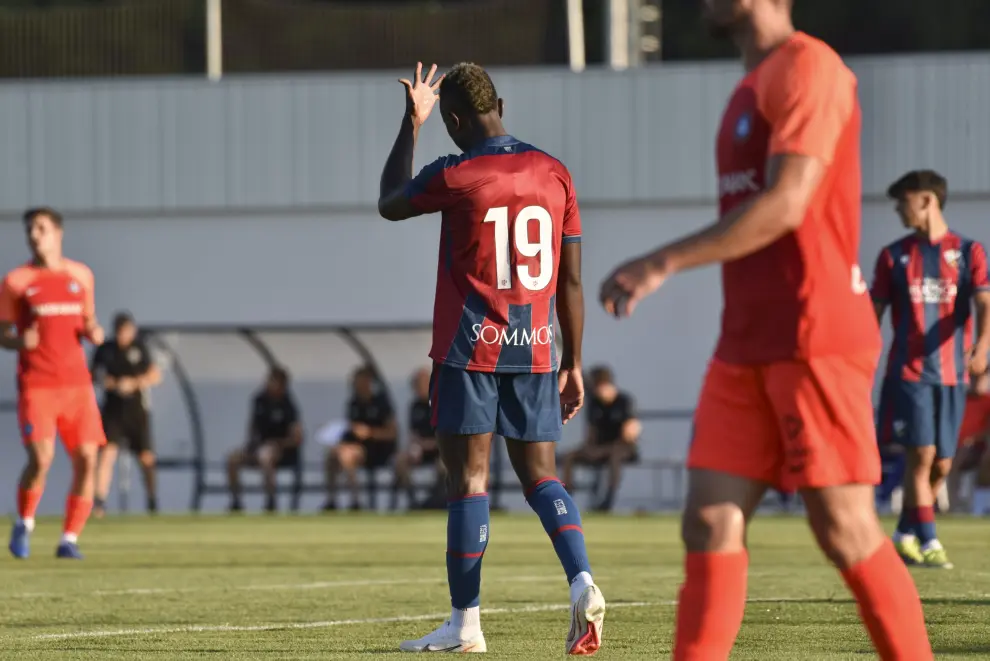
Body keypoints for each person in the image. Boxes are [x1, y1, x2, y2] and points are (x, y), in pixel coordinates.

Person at [598, 2, 932, 659]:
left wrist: (660, 260)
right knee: (708, 520)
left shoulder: (813, 68)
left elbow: (787, 202)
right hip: (745, 342)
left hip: (815, 336)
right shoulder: (746, 90)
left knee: (844, 527)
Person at [378, 61, 604, 655]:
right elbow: (572, 283)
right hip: (536, 350)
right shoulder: (555, 173)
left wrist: (412, 122)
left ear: (453, 119)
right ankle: (582, 580)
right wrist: (573, 362)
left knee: (469, 480)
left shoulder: (457, 173)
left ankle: (466, 625)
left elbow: (388, 200)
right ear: (499, 101)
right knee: (542, 478)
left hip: (468, 351)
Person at [872, 169, 990, 568]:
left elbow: (985, 303)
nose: (897, 209)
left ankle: (904, 532)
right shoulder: (893, 256)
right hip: (908, 374)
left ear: (925, 199)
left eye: (902, 200)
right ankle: (929, 540)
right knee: (920, 457)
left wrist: (983, 347)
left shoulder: (969, 252)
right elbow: (873, 314)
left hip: (954, 376)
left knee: (942, 462)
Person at [1, 207, 106, 560]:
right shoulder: (17, 281)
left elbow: (89, 320)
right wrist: (18, 342)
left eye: (41, 228)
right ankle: (25, 521)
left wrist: (94, 332)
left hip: (78, 385)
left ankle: (69, 538)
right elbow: (2, 334)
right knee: (41, 458)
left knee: (88, 460)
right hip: (38, 385)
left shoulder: (82, 275)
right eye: (30, 229)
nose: (35, 234)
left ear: (58, 233)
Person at [90, 312, 162, 517]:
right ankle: (100, 503)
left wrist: (133, 383)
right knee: (106, 455)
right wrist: (110, 383)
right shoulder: (105, 350)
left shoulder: (140, 348)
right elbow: (94, 374)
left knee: (146, 458)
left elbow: (155, 375)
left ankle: (152, 502)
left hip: (137, 411)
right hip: (113, 411)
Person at [560, 365, 640, 512]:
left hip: (622, 448)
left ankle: (608, 500)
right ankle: (566, 496)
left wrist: (604, 449)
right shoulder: (594, 404)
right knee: (569, 457)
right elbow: (591, 433)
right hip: (599, 448)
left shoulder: (624, 401)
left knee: (615, 456)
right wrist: (589, 448)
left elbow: (629, 434)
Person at [226, 366, 303, 513]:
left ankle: (270, 502)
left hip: (280, 451)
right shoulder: (259, 400)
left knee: (266, 456)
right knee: (233, 459)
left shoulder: (289, 406)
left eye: (275, 382)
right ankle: (236, 502)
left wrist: (278, 443)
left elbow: (296, 438)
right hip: (257, 448)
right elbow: (252, 427)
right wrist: (251, 445)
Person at [323, 366, 398, 511]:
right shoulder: (353, 404)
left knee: (346, 456)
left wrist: (369, 432)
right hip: (356, 447)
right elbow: (350, 430)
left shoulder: (382, 403)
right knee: (332, 455)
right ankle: (331, 500)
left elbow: (392, 433)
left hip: (378, 450)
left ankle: (355, 501)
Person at [391, 367, 443, 510]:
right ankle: (413, 501)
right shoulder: (414, 406)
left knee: (443, 466)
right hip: (421, 449)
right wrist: (416, 446)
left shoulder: (442, 403)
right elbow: (413, 432)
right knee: (401, 461)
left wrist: (430, 444)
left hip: (441, 450)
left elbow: (447, 434)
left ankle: (436, 500)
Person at [948, 370, 990, 514]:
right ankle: (954, 506)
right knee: (949, 462)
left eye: (981, 378)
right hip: (956, 446)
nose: (977, 382)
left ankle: (980, 507)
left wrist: (974, 439)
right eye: (974, 378)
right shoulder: (960, 400)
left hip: (978, 447)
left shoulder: (988, 402)